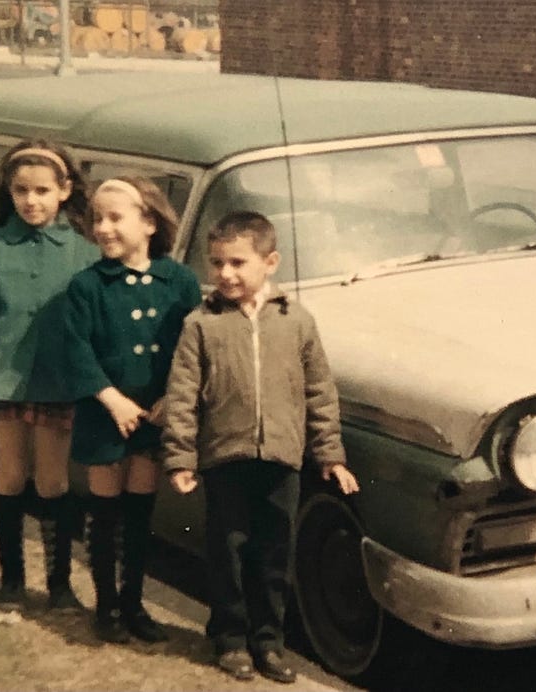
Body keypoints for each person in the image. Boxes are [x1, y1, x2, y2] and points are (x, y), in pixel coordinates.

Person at [161, 211, 360, 684]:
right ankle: (230, 639)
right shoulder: (200, 325)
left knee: (274, 553)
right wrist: (181, 456)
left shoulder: (297, 320)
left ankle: (269, 642)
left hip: (281, 460)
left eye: (237, 262)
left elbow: (319, 390)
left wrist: (329, 455)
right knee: (228, 549)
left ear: (269, 262)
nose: (225, 274)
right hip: (225, 459)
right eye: (216, 263)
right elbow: (183, 394)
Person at [0, 139, 99, 610]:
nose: (31, 200)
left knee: (53, 481)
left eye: (41, 190)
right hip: (4, 379)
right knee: (11, 473)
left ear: (64, 191)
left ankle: (59, 585)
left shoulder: (83, 250)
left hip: (58, 382)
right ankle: (12, 582)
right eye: (21, 190)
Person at [63, 176, 202, 643]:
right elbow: (77, 350)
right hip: (106, 415)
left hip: (154, 416)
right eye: (96, 219)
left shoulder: (178, 281)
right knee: (105, 513)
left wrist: (173, 397)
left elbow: (191, 346)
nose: (103, 228)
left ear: (148, 222)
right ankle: (106, 606)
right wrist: (111, 397)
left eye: (115, 218)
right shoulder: (87, 286)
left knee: (140, 512)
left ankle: (133, 602)